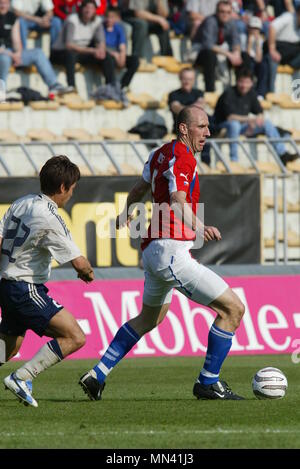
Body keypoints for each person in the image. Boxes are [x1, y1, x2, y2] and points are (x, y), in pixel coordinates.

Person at [79, 105, 246, 402]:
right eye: (202, 126)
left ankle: (98, 373)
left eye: (208, 127)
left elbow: (138, 189)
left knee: (148, 319)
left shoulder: (159, 154)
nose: (207, 133)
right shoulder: (183, 157)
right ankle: (208, 382)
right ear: (184, 129)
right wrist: (200, 225)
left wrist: (126, 213)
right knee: (233, 309)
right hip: (172, 250)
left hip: (153, 252)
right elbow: (177, 199)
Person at [0, 155, 94, 408]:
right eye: (72, 189)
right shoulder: (50, 216)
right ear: (63, 187)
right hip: (24, 287)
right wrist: (87, 274)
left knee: (9, 343)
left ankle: (20, 376)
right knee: (74, 336)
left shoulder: (22, 202)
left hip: (6, 284)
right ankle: (22, 377)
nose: (71, 195)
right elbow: (79, 263)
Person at [214, 67, 298, 164]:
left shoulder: (251, 94)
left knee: (266, 123)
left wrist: (258, 120)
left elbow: (260, 112)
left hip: (243, 127)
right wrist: (251, 120)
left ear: (251, 83)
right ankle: (234, 160)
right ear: (237, 81)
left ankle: (282, 154)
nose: (244, 85)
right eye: (241, 82)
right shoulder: (229, 93)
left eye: (247, 82)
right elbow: (230, 117)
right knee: (234, 125)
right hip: (223, 128)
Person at [0, 0, 71, 95]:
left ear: (9, 4)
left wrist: (18, 53)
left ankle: (54, 85)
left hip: (11, 53)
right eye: (1, 3)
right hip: (4, 54)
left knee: (38, 53)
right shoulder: (16, 17)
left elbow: (16, 40)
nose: (3, 6)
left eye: (5, 3)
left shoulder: (12, 17)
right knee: (4, 59)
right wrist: (12, 55)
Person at [51, 0, 116, 90]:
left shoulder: (97, 21)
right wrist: (92, 51)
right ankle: (71, 87)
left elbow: (101, 41)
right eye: (86, 7)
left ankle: (111, 88)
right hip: (60, 52)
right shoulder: (72, 20)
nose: (88, 10)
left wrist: (101, 50)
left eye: (91, 8)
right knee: (70, 54)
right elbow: (69, 45)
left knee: (107, 56)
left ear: (95, 10)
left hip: (81, 52)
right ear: (81, 9)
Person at [193, 0, 242, 92]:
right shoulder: (210, 21)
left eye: (228, 12)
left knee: (244, 57)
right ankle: (210, 90)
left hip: (220, 51)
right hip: (199, 51)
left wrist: (237, 53)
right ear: (216, 12)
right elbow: (208, 45)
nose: (225, 15)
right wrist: (229, 55)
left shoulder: (231, 22)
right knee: (209, 55)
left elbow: (236, 41)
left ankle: (240, 90)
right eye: (222, 12)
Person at [104, 5, 139, 90]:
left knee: (134, 60)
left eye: (112, 17)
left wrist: (122, 58)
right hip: (107, 55)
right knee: (108, 59)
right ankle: (110, 86)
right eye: (107, 17)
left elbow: (122, 45)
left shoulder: (119, 29)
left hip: (117, 56)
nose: (109, 19)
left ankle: (123, 86)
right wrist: (114, 54)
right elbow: (100, 46)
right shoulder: (101, 28)